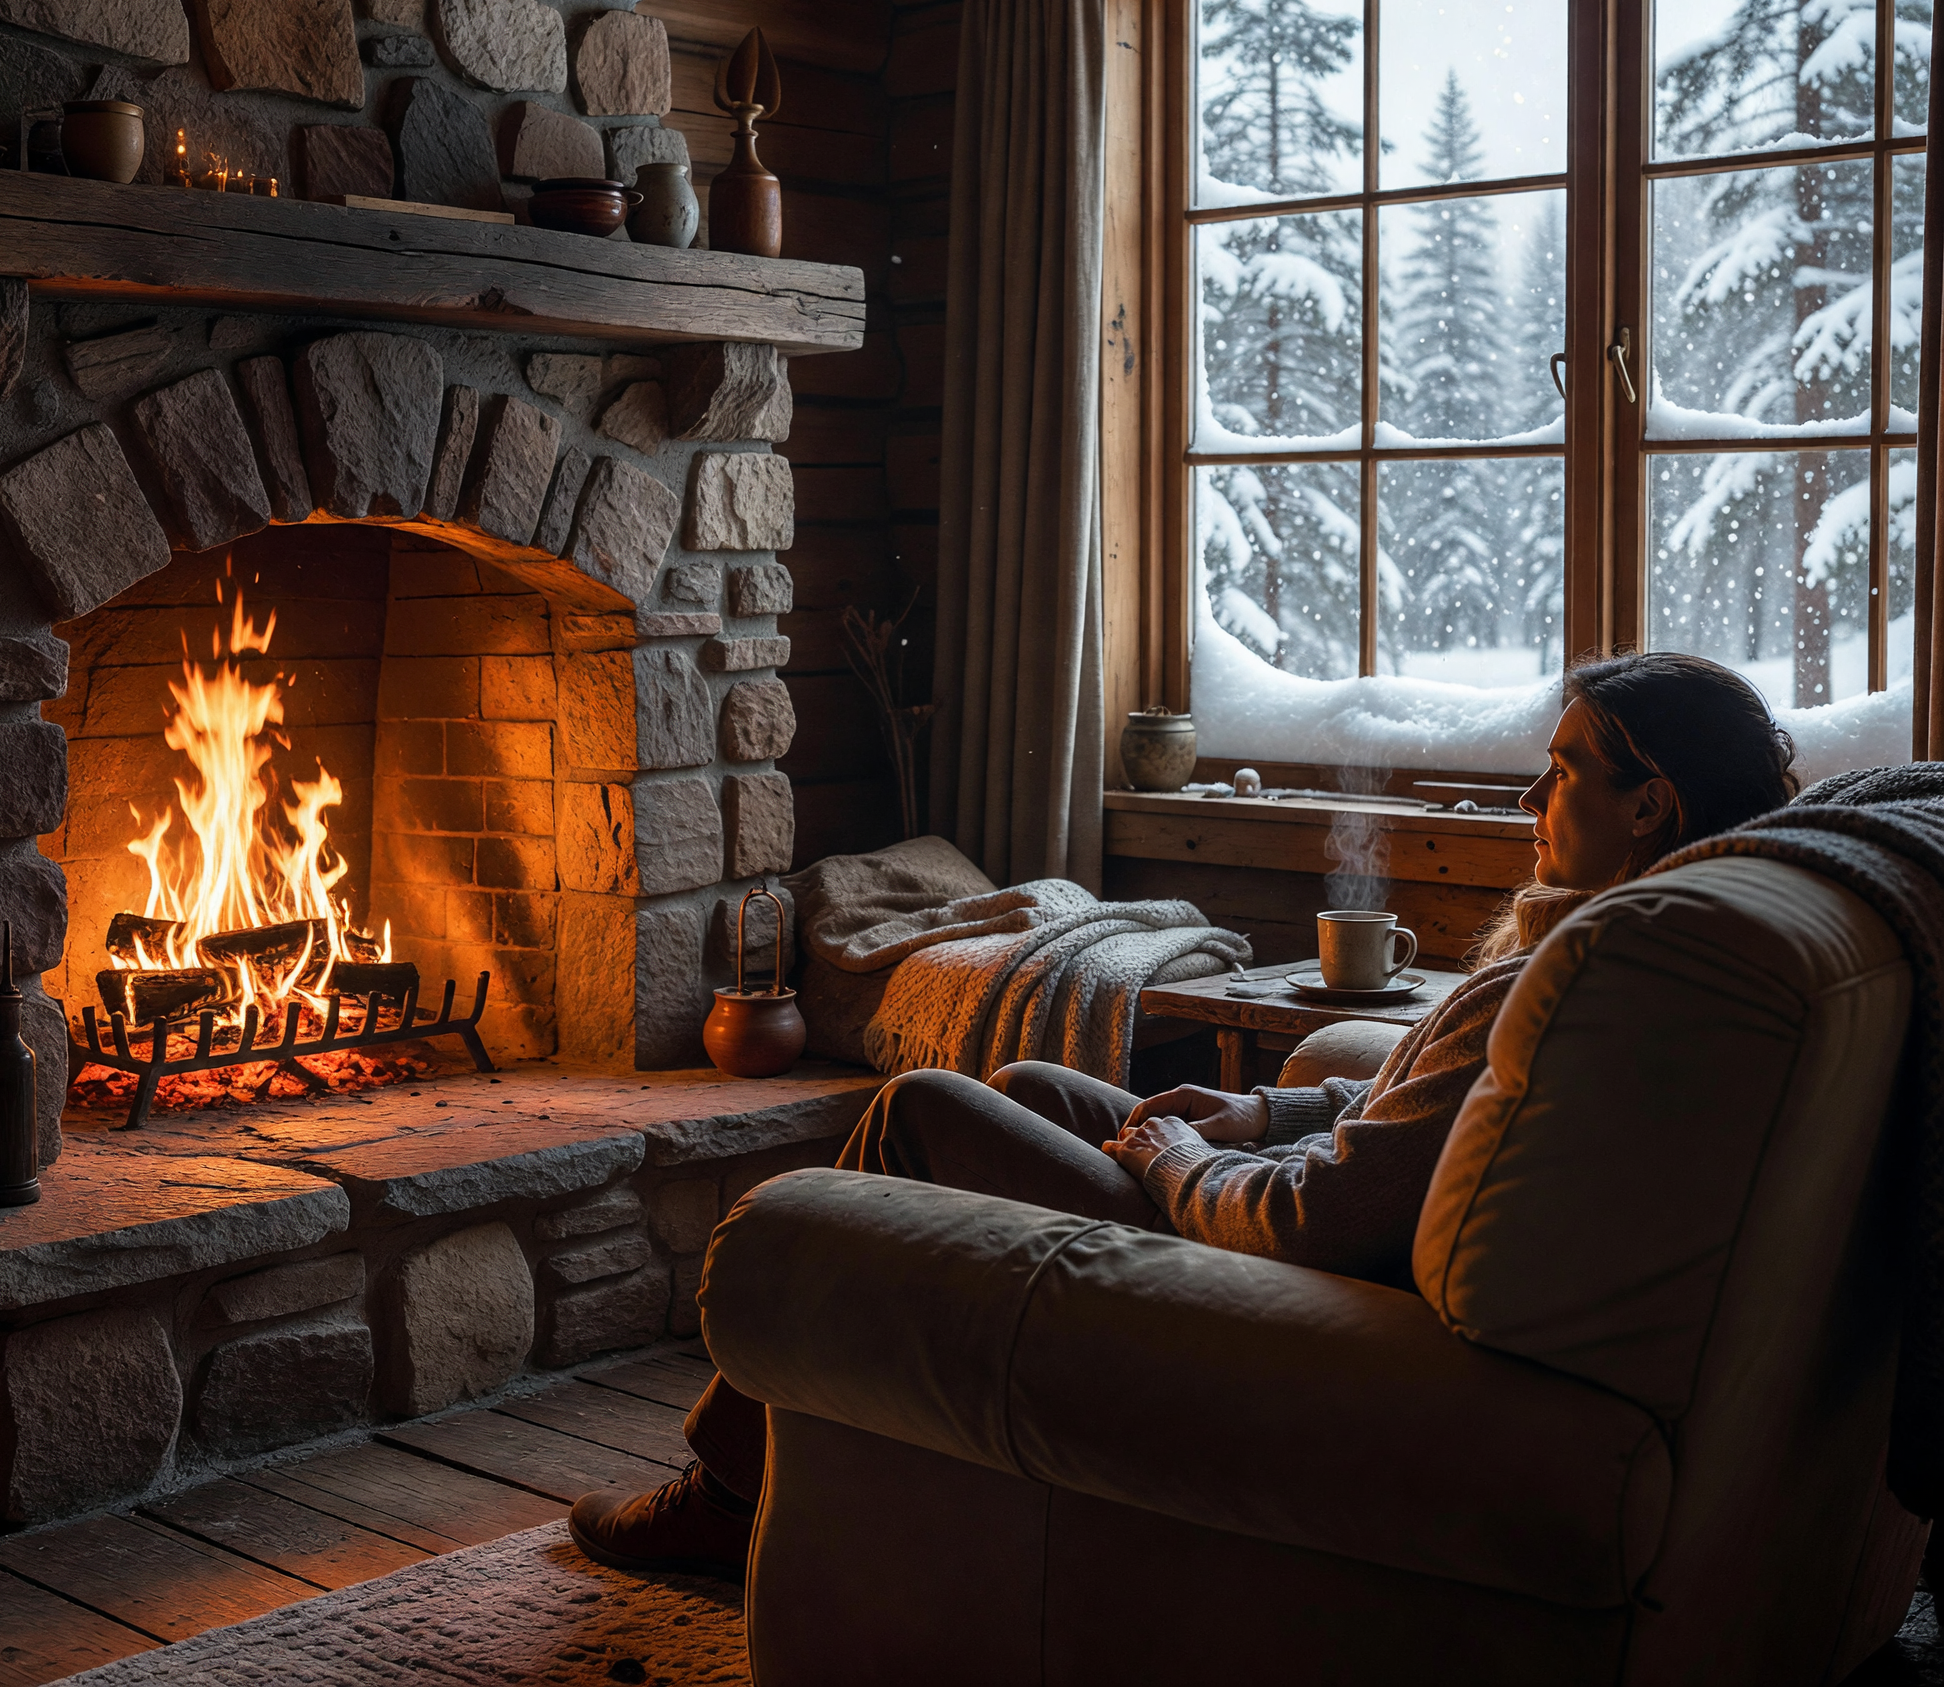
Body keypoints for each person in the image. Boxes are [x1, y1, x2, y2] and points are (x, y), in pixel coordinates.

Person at [568, 650, 1800, 1578]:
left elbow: (1320, 1219)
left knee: (922, 1111)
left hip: (1277, 1268)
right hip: (1287, 1193)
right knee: (1029, 1090)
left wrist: (1174, 1156)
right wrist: (1263, 1106)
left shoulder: (1582, 965)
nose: (1535, 793)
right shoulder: (1633, 943)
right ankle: (871, 1450)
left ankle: (727, 1496)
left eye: (1567, 768)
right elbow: (1450, 1114)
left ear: (1650, 805)